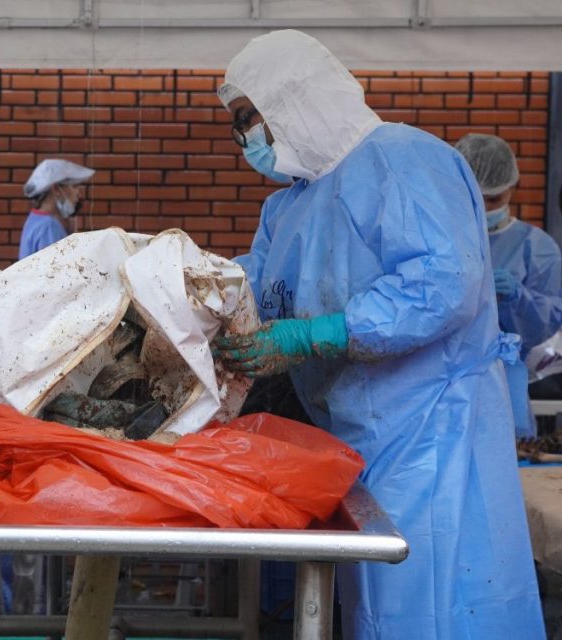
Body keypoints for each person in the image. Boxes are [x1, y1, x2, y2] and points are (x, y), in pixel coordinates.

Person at [212, 30, 544, 639]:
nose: (244, 138)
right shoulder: (287, 208)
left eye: (248, 118)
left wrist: (318, 333)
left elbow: (442, 283)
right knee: (378, 608)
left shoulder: (400, 158)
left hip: (433, 430)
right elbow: (249, 290)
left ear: (294, 99)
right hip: (359, 434)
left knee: (439, 601)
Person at [456, 133, 562, 437]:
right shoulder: (440, 239)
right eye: (476, 197)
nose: (485, 207)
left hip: (505, 379)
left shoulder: (537, 248)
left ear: (512, 188)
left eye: (493, 199)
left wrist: (519, 297)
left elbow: (546, 322)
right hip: (441, 381)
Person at [19, 158, 94, 259]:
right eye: (74, 186)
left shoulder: (36, 219)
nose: (78, 193)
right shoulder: (49, 226)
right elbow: (55, 271)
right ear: (56, 189)